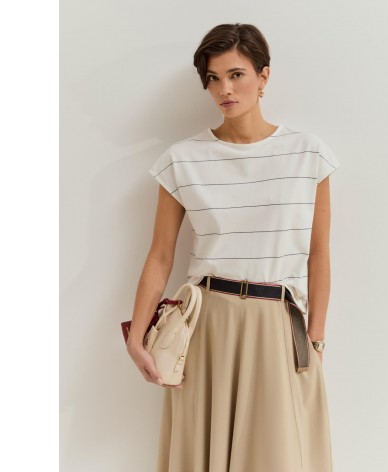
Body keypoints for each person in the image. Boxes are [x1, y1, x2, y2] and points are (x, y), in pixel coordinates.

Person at [126, 23, 341, 472]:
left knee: (278, 457)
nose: (224, 89)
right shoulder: (182, 159)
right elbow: (160, 255)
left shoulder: (307, 154)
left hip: (278, 324)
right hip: (206, 324)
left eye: (236, 74)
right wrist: (137, 337)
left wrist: (316, 339)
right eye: (213, 78)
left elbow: (318, 253)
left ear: (263, 77)